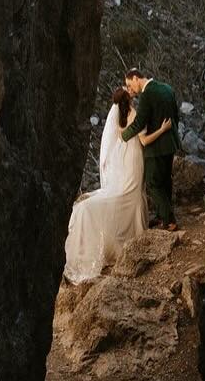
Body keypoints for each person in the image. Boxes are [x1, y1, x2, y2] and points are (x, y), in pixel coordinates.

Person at [62, 87, 171, 282]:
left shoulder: (117, 117)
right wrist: (163, 129)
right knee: (132, 193)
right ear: (129, 100)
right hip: (133, 160)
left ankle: (121, 229)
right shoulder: (134, 114)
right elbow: (144, 140)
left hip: (122, 160)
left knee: (124, 193)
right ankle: (132, 229)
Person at [121, 67, 180, 231]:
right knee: (165, 180)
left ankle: (169, 220)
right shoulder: (167, 88)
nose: (131, 90)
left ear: (135, 78)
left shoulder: (147, 95)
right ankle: (162, 215)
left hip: (156, 147)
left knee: (153, 184)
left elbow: (139, 123)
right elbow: (176, 115)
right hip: (171, 143)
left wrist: (123, 136)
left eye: (130, 85)